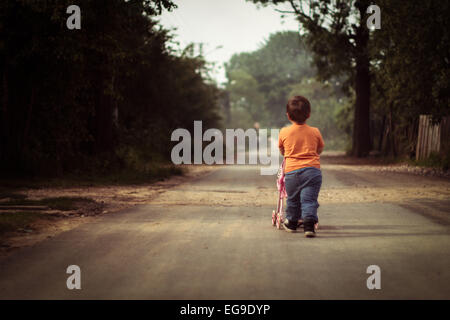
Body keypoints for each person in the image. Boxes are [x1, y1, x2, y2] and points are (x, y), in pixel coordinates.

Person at [278, 95, 324, 237]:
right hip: (312, 171)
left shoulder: (284, 131)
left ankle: (291, 223)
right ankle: (309, 225)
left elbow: (281, 149)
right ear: (308, 115)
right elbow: (320, 148)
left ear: (288, 116)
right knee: (309, 199)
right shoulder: (315, 131)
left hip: (292, 172)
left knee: (292, 198)